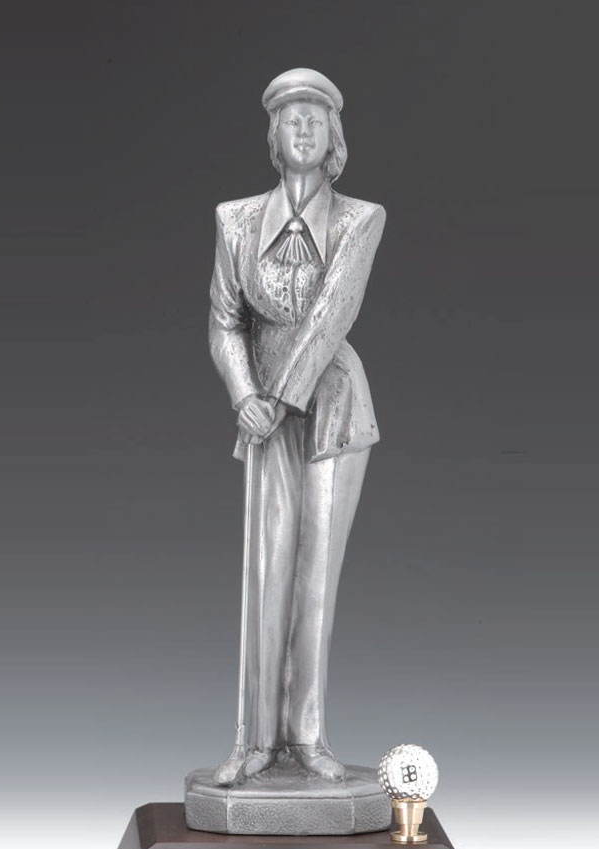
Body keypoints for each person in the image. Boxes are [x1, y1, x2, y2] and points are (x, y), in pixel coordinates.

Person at [209, 68, 386, 784]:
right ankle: (254, 742)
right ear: (273, 134)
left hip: (333, 405)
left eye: (316, 117)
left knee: (316, 576)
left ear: (333, 133)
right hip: (263, 408)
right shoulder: (234, 219)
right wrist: (243, 395)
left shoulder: (360, 219)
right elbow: (224, 320)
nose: (304, 128)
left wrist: (275, 400)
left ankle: (307, 736)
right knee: (267, 567)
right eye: (291, 118)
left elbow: (331, 315)